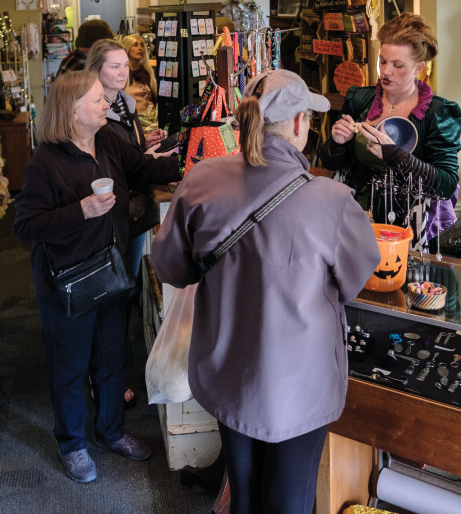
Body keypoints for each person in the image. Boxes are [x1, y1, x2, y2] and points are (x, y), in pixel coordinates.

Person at [152, 70, 380, 514]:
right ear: (298, 124)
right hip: (302, 381)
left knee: (244, 491)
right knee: (290, 500)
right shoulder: (333, 201)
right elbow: (356, 283)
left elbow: (171, 267)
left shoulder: (201, 180)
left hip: (226, 368)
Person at [13, 71, 179, 484]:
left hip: (111, 271)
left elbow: (143, 170)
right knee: (69, 368)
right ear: (72, 111)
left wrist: (203, 159)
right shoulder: (44, 164)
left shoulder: (107, 142)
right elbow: (25, 226)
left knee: (111, 358)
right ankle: (71, 444)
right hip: (67, 283)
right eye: (97, 100)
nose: (108, 104)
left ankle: (110, 432)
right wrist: (80, 212)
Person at [318, 13, 461, 248]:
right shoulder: (359, 99)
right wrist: (337, 142)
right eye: (383, 61)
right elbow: (332, 164)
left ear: (418, 68)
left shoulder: (439, 112)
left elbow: (446, 184)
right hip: (356, 221)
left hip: (411, 231)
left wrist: (396, 156)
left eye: (397, 65)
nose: (386, 71)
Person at [85, 38, 169, 408]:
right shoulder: (95, 111)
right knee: (111, 295)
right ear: (96, 70)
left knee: (125, 290)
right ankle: (103, 381)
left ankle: (110, 374)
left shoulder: (126, 103)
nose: (122, 72)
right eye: (114, 66)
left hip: (131, 210)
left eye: (124, 66)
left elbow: (126, 154)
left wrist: (143, 145)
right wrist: (143, 159)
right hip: (112, 212)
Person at [119, 34, 159, 118]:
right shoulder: (120, 73)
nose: (140, 48)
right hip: (131, 120)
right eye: (135, 45)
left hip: (151, 119)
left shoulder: (146, 72)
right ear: (127, 48)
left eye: (142, 45)